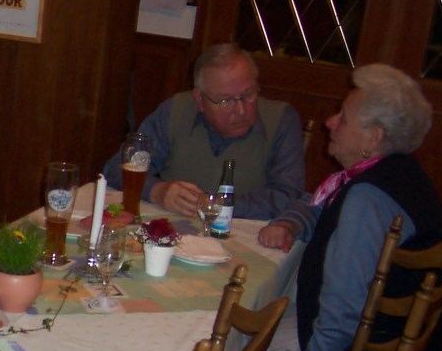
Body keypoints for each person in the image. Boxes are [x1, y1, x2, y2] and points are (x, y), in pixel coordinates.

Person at [251, 63, 442, 351]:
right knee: (262, 315)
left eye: (343, 117)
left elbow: (346, 298)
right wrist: (292, 223)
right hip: (398, 345)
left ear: (374, 137)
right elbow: (322, 208)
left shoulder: (368, 198)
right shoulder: (399, 174)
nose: (330, 122)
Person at [103, 43, 305, 219]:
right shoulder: (175, 111)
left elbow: (287, 195)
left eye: (249, 94)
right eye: (225, 101)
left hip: (246, 234)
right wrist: (157, 191)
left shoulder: (281, 120)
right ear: (199, 99)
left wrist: (216, 204)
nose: (241, 110)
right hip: (175, 230)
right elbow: (116, 168)